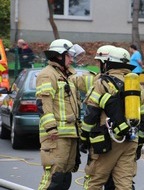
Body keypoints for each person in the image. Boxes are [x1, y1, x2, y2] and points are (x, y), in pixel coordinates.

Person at [81, 46, 144, 190]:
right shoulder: (138, 88)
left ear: (108, 64)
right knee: (124, 184)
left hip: (107, 140)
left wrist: (84, 138)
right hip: (131, 141)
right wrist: (139, 142)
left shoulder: (102, 83)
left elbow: (91, 114)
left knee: (95, 181)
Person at [36, 39, 85, 190]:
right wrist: (51, 128)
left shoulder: (67, 76)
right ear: (59, 56)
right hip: (55, 136)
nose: (72, 59)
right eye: (69, 55)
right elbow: (43, 104)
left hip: (70, 135)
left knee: (65, 177)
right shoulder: (47, 75)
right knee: (53, 178)